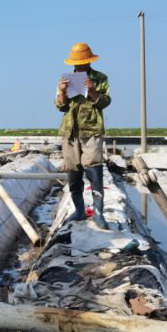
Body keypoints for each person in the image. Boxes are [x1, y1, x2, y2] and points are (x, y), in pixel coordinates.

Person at [55, 42, 112, 229]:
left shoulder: (100, 78)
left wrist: (93, 90)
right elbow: (60, 106)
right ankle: (79, 210)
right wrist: (62, 91)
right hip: (70, 130)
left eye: (83, 63)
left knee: (94, 167)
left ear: (89, 62)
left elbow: (104, 102)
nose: (80, 66)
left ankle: (98, 213)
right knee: (73, 169)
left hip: (91, 130)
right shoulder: (65, 79)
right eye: (77, 64)